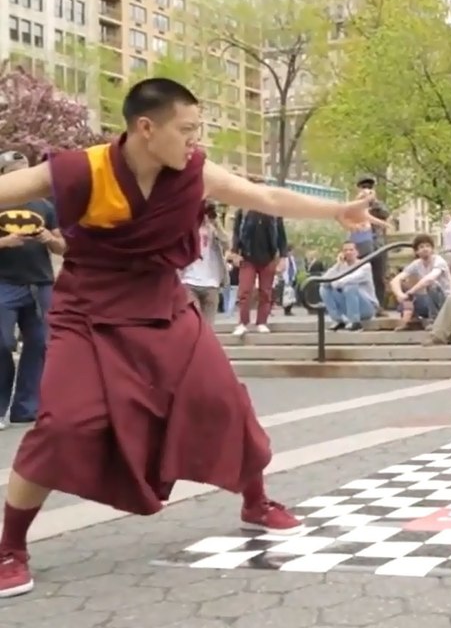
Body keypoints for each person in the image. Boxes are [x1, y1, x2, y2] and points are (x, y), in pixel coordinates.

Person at [0, 77, 377, 598]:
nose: (194, 142)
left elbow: (263, 194)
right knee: (64, 423)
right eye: (187, 130)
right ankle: (10, 548)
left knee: (221, 400)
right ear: (145, 128)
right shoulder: (83, 168)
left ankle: (255, 501)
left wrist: (335, 211)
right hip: (86, 311)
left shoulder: (194, 175)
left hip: (163, 304)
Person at [0, 151, 63, 429]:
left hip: (40, 284)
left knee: (40, 343)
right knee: (2, 343)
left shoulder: (45, 206)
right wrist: (5, 242)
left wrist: (50, 238)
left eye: (25, 170)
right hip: (4, 284)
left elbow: (63, 246)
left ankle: (26, 407)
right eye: (15, 169)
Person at [229, 194, 287, 336]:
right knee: (245, 291)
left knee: (265, 292)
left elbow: (281, 236)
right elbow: (236, 233)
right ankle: (243, 322)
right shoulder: (243, 211)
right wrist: (234, 252)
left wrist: (283, 257)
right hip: (248, 256)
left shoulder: (274, 212)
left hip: (268, 256)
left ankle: (262, 322)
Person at [181, 201, 231, 325]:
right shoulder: (187, 227)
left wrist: (216, 222)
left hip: (211, 283)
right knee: (193, 323)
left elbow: (228, 244)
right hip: (189, 281)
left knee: (208, 328)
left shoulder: (213, 228)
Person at [390, 234, 451, 330]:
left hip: (445, 301)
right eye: (421, 247)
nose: (425, 249)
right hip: (428, 301)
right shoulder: (416, 264)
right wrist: (401, 295)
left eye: (428, 246)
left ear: (432, 249)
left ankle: (435, 321)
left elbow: (429, 279)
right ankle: (411, 320)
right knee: (404, 289)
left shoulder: (439, 261)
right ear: (417, 251)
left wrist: (411, 291)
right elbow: (395, 280)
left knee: (431, 285)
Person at [350, 176, 393, 311]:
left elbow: (386, 214)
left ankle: (379, 306)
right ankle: (364, 306)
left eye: (369, 188)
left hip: (377, 245)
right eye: (363, 188)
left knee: (378, 277)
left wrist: (373, 202)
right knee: (360, 276)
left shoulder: (378, 204)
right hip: (361, 245)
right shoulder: (355, 204)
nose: (366, 190)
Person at [320, 241, 378, 332]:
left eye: (351, 250)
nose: (348, 252)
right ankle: (338, 320)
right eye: (345, 250)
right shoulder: (341, 266)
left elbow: (350, 279)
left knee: (350, 286)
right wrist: (337, 265)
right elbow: (324, 281)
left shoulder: (365, 266)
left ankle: (355, 323)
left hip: (366, 307)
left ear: (357, 252)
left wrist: (334, 283)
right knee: (324, 289)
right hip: (347, 305)